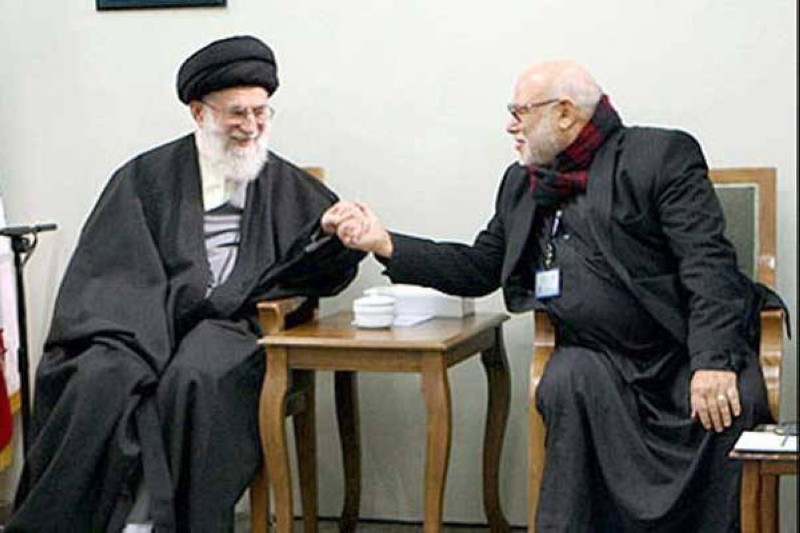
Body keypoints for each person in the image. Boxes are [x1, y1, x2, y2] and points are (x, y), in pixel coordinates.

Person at [322, 60, 783, 531]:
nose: (510, 125)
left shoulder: (658, 156)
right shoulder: (523, 183)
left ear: (564, 113)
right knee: (566, 379)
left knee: (735, 398)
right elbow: (480, 267)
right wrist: (385, 243)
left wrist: (712, 362)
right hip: (599, 362)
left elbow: (708, 264)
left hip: (679, 352)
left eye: (519, 112)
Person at [8, 35, 363, 532]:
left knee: (194, 377)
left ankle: (162, 523)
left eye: (260, 112)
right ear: (199, 112)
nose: (251, 126)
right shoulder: (144, 177)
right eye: (237, 113)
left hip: (233, 329)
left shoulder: (286, 184)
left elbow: (322, 265)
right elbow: (109, 271)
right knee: (100, 379)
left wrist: (333, 233)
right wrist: (153, 330)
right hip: (138, 324)